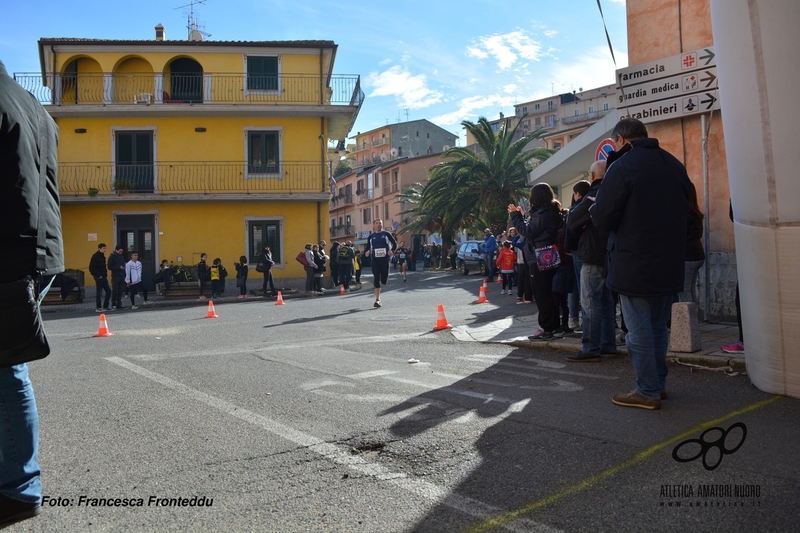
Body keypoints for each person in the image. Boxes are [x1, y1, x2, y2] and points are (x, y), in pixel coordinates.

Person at [591, 117, 694, 410]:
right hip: (669, 259)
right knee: (659, 327)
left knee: (638, 330)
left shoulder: (622, 167)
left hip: (634, 260)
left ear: (622, 139)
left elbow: (604, 217)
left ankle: (646, 390)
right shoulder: (674, 164)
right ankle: (657, 384)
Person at [0, 59, 64, 528]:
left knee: (6, 370)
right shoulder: (35, 107)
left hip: (9, 251)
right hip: (40, 253)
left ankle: (19, 487)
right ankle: (18, 484)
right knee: (8, 365)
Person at [566, 161, 616, 363]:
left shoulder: (593, 193)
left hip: (592, 254)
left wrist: (585, 224)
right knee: (606, 303)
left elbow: (573, 219)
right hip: (609, 255)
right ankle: (608, 345)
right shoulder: (614, 192)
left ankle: (590, 347)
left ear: (593, 176)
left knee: (590, 304)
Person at [509, 183, 563, 340]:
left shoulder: (541, 213)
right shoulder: (550, 212)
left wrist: (516, 216)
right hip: (548, 255)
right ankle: (555, 327)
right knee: (548, 294)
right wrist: (523, 217)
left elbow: (528, 231)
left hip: (538, 258)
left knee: (542, 294)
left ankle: (547, 329)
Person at [566, 180, 591, 332]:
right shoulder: (597, 202)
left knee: (582, 288)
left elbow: (570, 232)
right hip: (596, 251)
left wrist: (568, 248)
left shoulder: (576, 209)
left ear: (578, 194)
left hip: (579, 251)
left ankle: (581, 322)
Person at [680, 183, 705, 303]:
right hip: (697, 254)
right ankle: (693, 319)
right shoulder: (696, 214)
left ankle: (688, 321)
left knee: (684, 292)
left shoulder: (683, 214)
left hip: (687, 257)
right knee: (690, 290)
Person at [364, 219, 397, 308]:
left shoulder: (386, 234)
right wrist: (366, 252)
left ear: (382, 225)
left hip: (385, 260)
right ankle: (377, 300)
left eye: (380, 223)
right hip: (375, 260)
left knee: (384, 281)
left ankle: (382, 284)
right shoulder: (371, 237)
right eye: (377, 223)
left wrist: (392, 251)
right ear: (374, 225)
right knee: (376, 278)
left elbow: (395, 243)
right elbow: (367, 247)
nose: (378, 225)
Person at [89, 243, 112, 312]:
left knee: (108, 291)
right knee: (99, 292)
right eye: (103, 248)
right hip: (99, 276)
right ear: (99, 249)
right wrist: (98, 275)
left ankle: (105, 306)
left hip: (103, 276)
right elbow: (92, 267)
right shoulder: (95, 256)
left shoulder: (102, 256)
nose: (105, 250)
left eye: (105, 248)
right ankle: (98, 307)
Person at [108, 245, 127, 309]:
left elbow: (122, 263)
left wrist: (124, 266)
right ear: (116, 250)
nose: (121, 252)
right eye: (119, 251)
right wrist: (118, 267)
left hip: (122, 275)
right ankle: (113, 304)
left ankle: (119, 304)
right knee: (115, 291)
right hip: (115, 276)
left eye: (121, 251)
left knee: (120, 291)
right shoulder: (112, 257)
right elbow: (109, 266)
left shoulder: (121, 257)